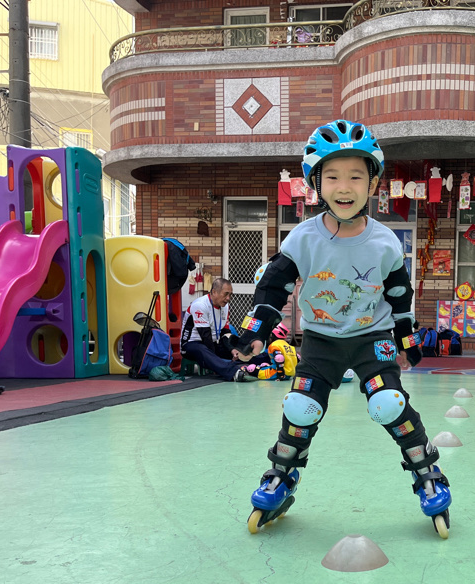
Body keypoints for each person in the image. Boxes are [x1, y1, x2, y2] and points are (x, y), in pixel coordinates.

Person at [234, 119, 452, 538]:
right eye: (332, 176)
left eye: (356, 176)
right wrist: (255, 331)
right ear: (316, 183)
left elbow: (399, 295)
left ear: (373, 184)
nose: (345, 187)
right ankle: (281, 475)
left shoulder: (385, 241)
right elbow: (273, 287)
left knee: (388, 402)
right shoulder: (303, 238)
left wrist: (406, 340)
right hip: (321, 340)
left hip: (373, 339)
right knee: (300, 407)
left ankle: (428, 474)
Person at [180, 278, 253, 381]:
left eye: (230, 295)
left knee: (240, 348)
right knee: (202, 349)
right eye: (226, 294)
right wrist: (216, 359)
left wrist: (232, 349)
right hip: (191, 345)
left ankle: (264, 362)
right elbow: (205, 337)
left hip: (213, 343)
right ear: (214, 292)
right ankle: (233, 372)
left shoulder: (225, 306)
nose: (228, 298)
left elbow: (225, 333)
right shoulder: (200, 305)